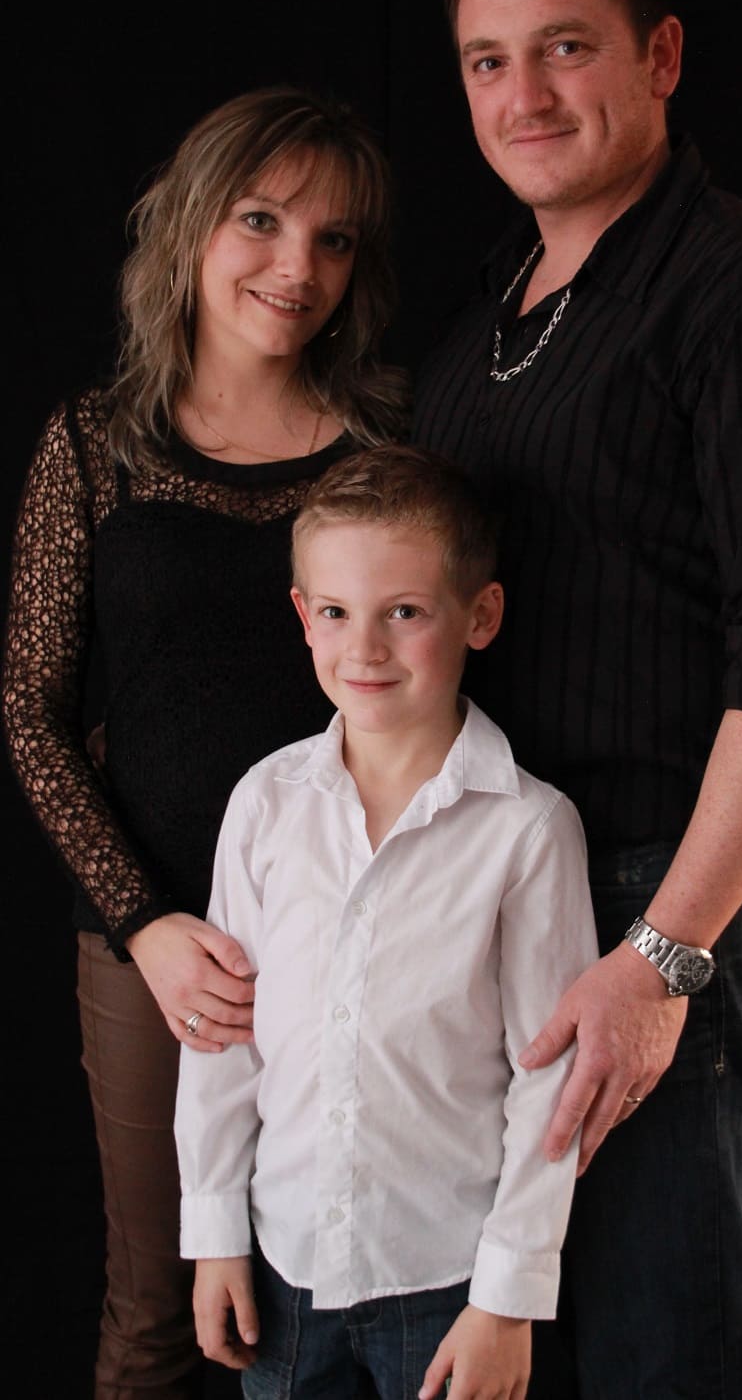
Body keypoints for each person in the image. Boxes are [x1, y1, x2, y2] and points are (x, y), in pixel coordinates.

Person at [411, 0, 742, 1396]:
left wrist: (660, 961)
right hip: (505, 883)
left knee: (664, 1352)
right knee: (513, 1338)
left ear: (659, 56)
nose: (522, 95)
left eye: (566, 47)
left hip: (652, 893)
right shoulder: (500, 300)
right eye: (487, 61)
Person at [2, 85, 408, 1399]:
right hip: (160, 950)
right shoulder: (94, 445)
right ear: (189, 225)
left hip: (357, 933)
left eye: (334, 238)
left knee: (345, 1302)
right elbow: (33, 712)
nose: (298, 266)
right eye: (262, 220)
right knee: (160, 1310)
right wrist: (145, 924)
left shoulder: (385, 446)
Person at [174, 444, 599, 1400]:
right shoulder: (266, 803)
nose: (363, 649)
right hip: (281, 1269)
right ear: (302, 615)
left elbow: (550, 1081)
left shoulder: (529, 830)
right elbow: (223, 1038)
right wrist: (215, 1236)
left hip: (445, 1283)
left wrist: (507, 1300)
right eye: (335, 612)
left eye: (404, 612)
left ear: (479, 615)